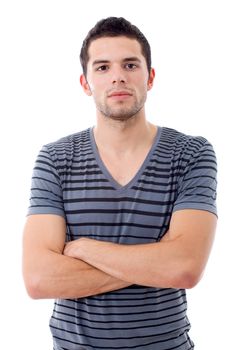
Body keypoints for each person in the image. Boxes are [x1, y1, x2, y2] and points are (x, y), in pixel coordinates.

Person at [22, 17, 217, 350]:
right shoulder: (56, 158)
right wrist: (157, 262)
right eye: (102, 67)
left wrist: (84, 250)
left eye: (130, 64)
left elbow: (184, 268)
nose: (117, 76)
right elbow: (39, 279)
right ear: (85, 83)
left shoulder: (191, 153)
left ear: (150, 77)